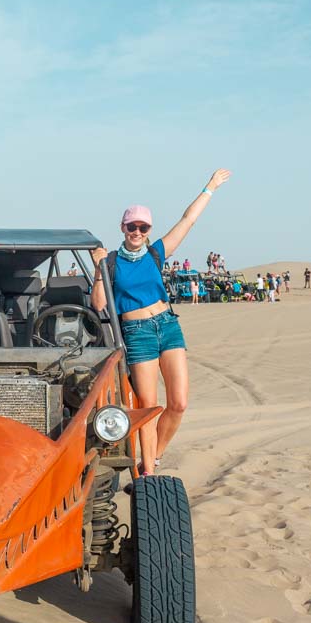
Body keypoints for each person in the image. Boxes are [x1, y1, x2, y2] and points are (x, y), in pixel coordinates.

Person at [90, 168, 231, 475]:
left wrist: (209, 188)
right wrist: (99, 269)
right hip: (137, 333)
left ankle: (150, 459)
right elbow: (99, 303)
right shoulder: (111, 262)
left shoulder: (156, 253)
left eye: (143, 226)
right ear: (123, 227)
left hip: (167, 326)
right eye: (132, 226)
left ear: (149, 228)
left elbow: (187, 220)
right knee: (148, 408)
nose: (137, 231)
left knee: (178, 404)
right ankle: (148, 480)